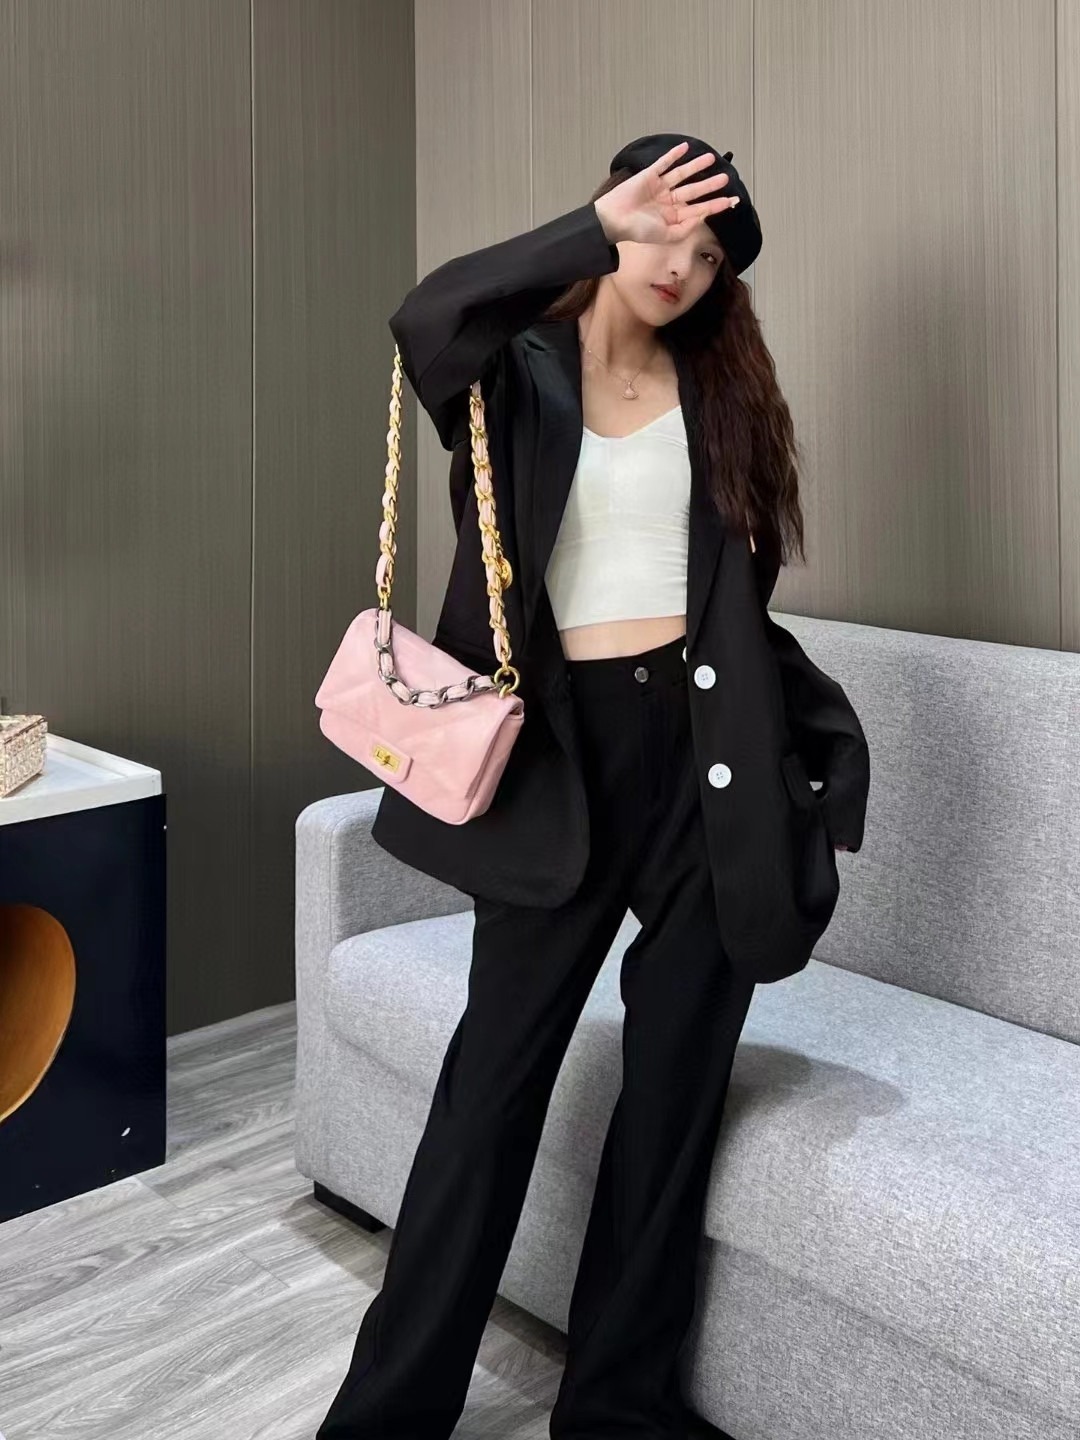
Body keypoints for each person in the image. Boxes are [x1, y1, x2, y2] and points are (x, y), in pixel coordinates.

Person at [318, 134, 869, 1440]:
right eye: (661, 228)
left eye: (708, 251)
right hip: (559, 767)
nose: (681, 263)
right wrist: (596, 223)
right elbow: (423, 317)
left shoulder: (725, 400)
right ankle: (390, 1415)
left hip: (706, 774)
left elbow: (733, 610)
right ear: (615, 221)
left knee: (673, 1102)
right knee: (489, 1095)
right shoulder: (511, 371)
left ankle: (617, 1407)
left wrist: (802, 759)